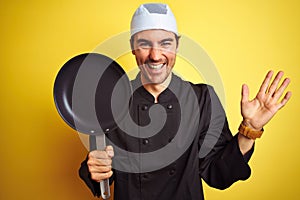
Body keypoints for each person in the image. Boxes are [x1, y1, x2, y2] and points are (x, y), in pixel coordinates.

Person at [79, 3, 292, 200]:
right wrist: (95, 169)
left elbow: (218, 174)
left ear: (177, 45)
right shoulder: (112, 101)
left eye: (165, 43)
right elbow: (102, 172)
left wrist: (250, 129)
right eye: (145, 44)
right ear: (133, 47)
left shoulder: (203, 99)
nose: (155, 55)